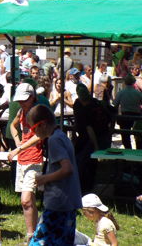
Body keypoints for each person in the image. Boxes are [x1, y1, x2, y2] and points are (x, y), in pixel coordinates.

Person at [28, 104, 81, 246]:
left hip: (58, 203)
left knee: (37, 243)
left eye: (34, 128)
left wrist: (43, 179)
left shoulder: (54, 140)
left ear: (43, 124)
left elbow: (67, 169)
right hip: (69, 201)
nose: (34, 133)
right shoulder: (62, 136)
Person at [6, 83, 44, 242]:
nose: (21, 103)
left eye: (25, 100)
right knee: (29, 201)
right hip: (23, 159)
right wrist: (17, 142)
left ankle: (31, 236)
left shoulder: (38, 112)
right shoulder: (22, 111)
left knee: (26, 199)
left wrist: (19, 148)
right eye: (20, 100)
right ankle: (34, 233)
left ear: (32, 97)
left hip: (34, 159)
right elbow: (13, 126)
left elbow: (40, 135)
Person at [73, 84, 112, 195]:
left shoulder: (87, 106)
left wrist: (95, 147)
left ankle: (84, 190)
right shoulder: (96, 103)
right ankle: (87, 189)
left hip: (91, 138)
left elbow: (89, 128)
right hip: (94, 137)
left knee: (84, 164)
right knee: (88, 164)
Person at [114, 73, 142, 149]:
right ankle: (138, 152)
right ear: (133, 82)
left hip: (125, 116)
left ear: (125, 82)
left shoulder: (121, 93)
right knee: (138, 136)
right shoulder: (138, 93)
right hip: (137, 116)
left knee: (125, 137)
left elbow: (115, 105)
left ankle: (128, 150)